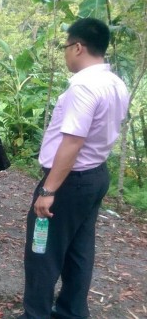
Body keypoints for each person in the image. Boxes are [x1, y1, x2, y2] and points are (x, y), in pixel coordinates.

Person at [19, 18, 129, 319]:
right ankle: (71, 311)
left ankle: (36, 314)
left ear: (78, 47)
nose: (66, 53)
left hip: (69, 181)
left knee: (43, 251)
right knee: (79, 250)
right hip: (95, 175)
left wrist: (48, 189)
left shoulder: (83, 86)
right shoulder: (116, 83)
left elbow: (72, 143)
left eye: (66, 47)